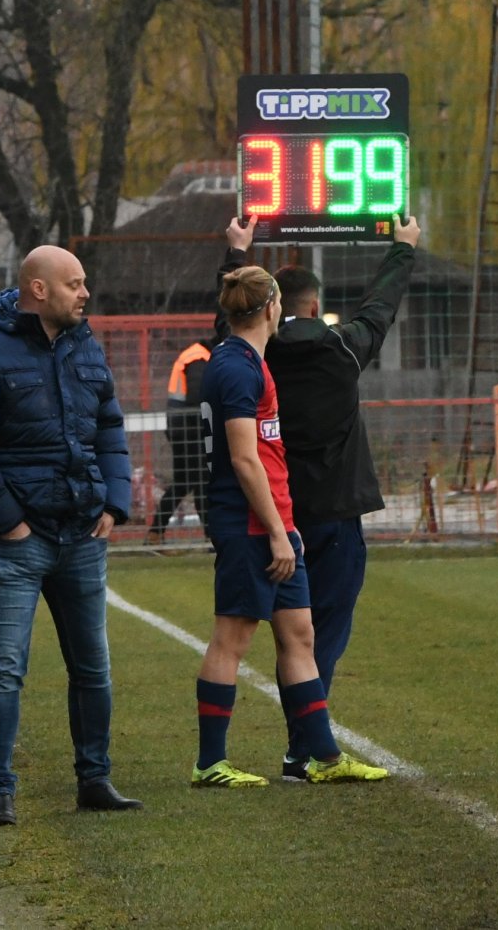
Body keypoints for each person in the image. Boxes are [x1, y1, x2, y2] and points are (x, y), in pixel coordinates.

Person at [0, 245, 142, 828]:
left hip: (82, 533)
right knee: (5, 668)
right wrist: (9, 521)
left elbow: (109, 427)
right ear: (39, 290)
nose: (85, 293)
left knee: (93, 667)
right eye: (75, 284)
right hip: (16, 542)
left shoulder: (85, 344)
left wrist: (115, 502)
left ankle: (95, 780)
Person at [222, 213, 418, 780]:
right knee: (318, 637)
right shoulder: (344, 350)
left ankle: (259, 751)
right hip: (334, 514)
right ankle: (303, 749)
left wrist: (237, 254)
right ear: (312, 305)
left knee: (256, 637)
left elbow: (229, 318)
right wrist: (402, 248)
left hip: (274, 515)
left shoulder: (254, 355)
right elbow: (380, 307)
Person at [189, 267, 387, 788]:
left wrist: (285, 525)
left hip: (277, 520)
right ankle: (210, 762)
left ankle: (322, 757)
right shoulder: (236, 367)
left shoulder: (251, 360)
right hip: (252, 525)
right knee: (232, 638)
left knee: (300, 637)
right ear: (273, 307)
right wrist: (277, 531)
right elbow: (245, 459)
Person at [148, 336, 216, 541]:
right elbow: (197, 398)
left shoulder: (195, 355)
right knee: (200, 483)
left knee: (185, 482)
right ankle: (211, 537)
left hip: (182, 429)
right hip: (190, 431)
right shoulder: (199, 358)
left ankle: (155, 533)